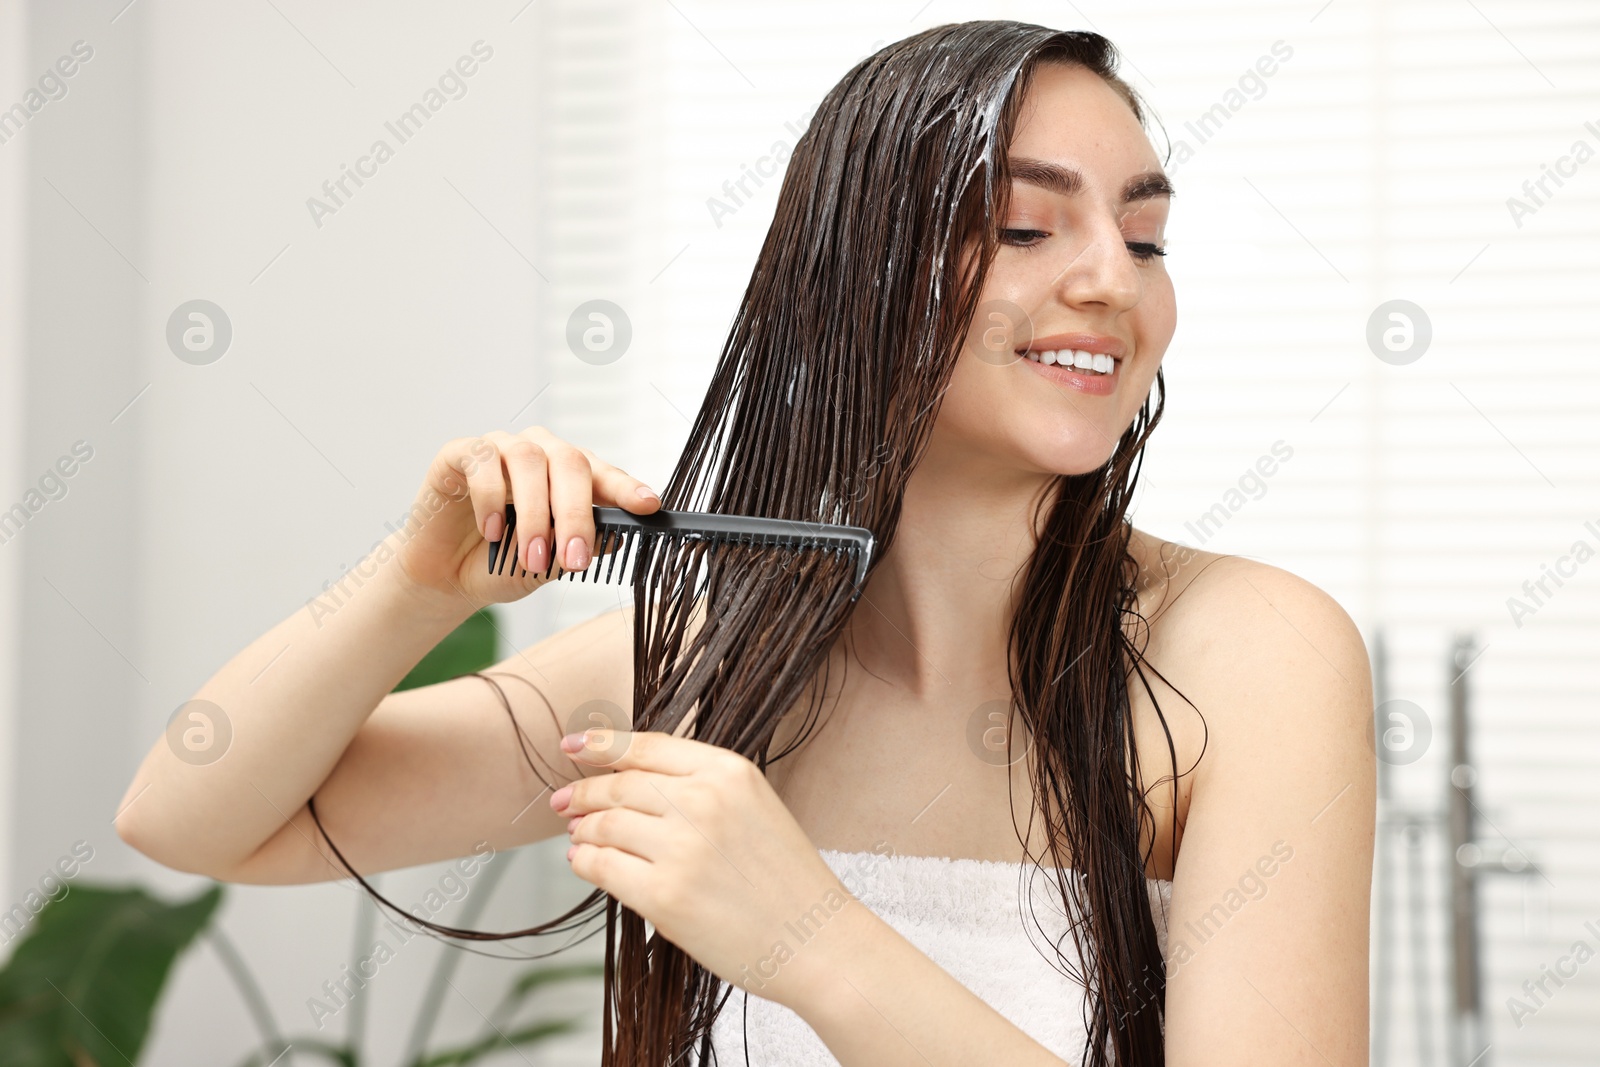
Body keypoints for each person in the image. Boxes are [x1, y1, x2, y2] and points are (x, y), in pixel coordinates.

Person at [117, 21, 1375, 1066]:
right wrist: (409, 586)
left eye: (1145, 237)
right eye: (1026, 226)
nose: (1116, 280)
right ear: (855, 274)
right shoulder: (703, 670)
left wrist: (808, 937)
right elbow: (192, 817)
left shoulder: (1250, 657)